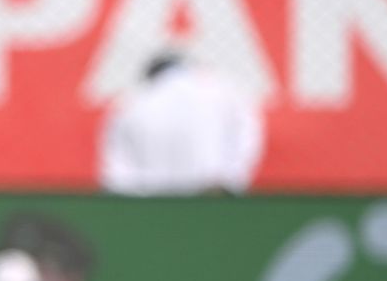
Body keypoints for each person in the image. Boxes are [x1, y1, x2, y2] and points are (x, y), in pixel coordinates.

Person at [99, 51, 264, 195]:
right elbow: (246, 136)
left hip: (152, 203)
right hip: (210, 195)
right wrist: (230, 180)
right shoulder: (221, 90)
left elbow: (118, 171)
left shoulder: (130, 103)